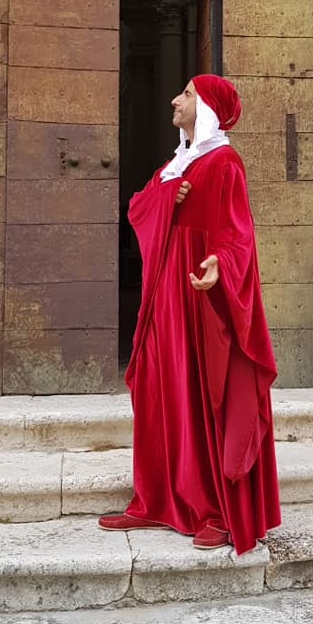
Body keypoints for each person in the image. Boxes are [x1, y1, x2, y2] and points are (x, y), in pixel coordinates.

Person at [99, 74, 281, 553]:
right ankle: (154, 501)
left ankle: (215, 511)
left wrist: (219, 261)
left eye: (187, 94)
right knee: (159, 391)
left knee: (204, 397)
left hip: (201, 299)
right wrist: (166, 195)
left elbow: (238, 232)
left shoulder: (224, 162)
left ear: (208, 109)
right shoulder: (175, 163)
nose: (174, 100)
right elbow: (138, 207)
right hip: (163, 297)